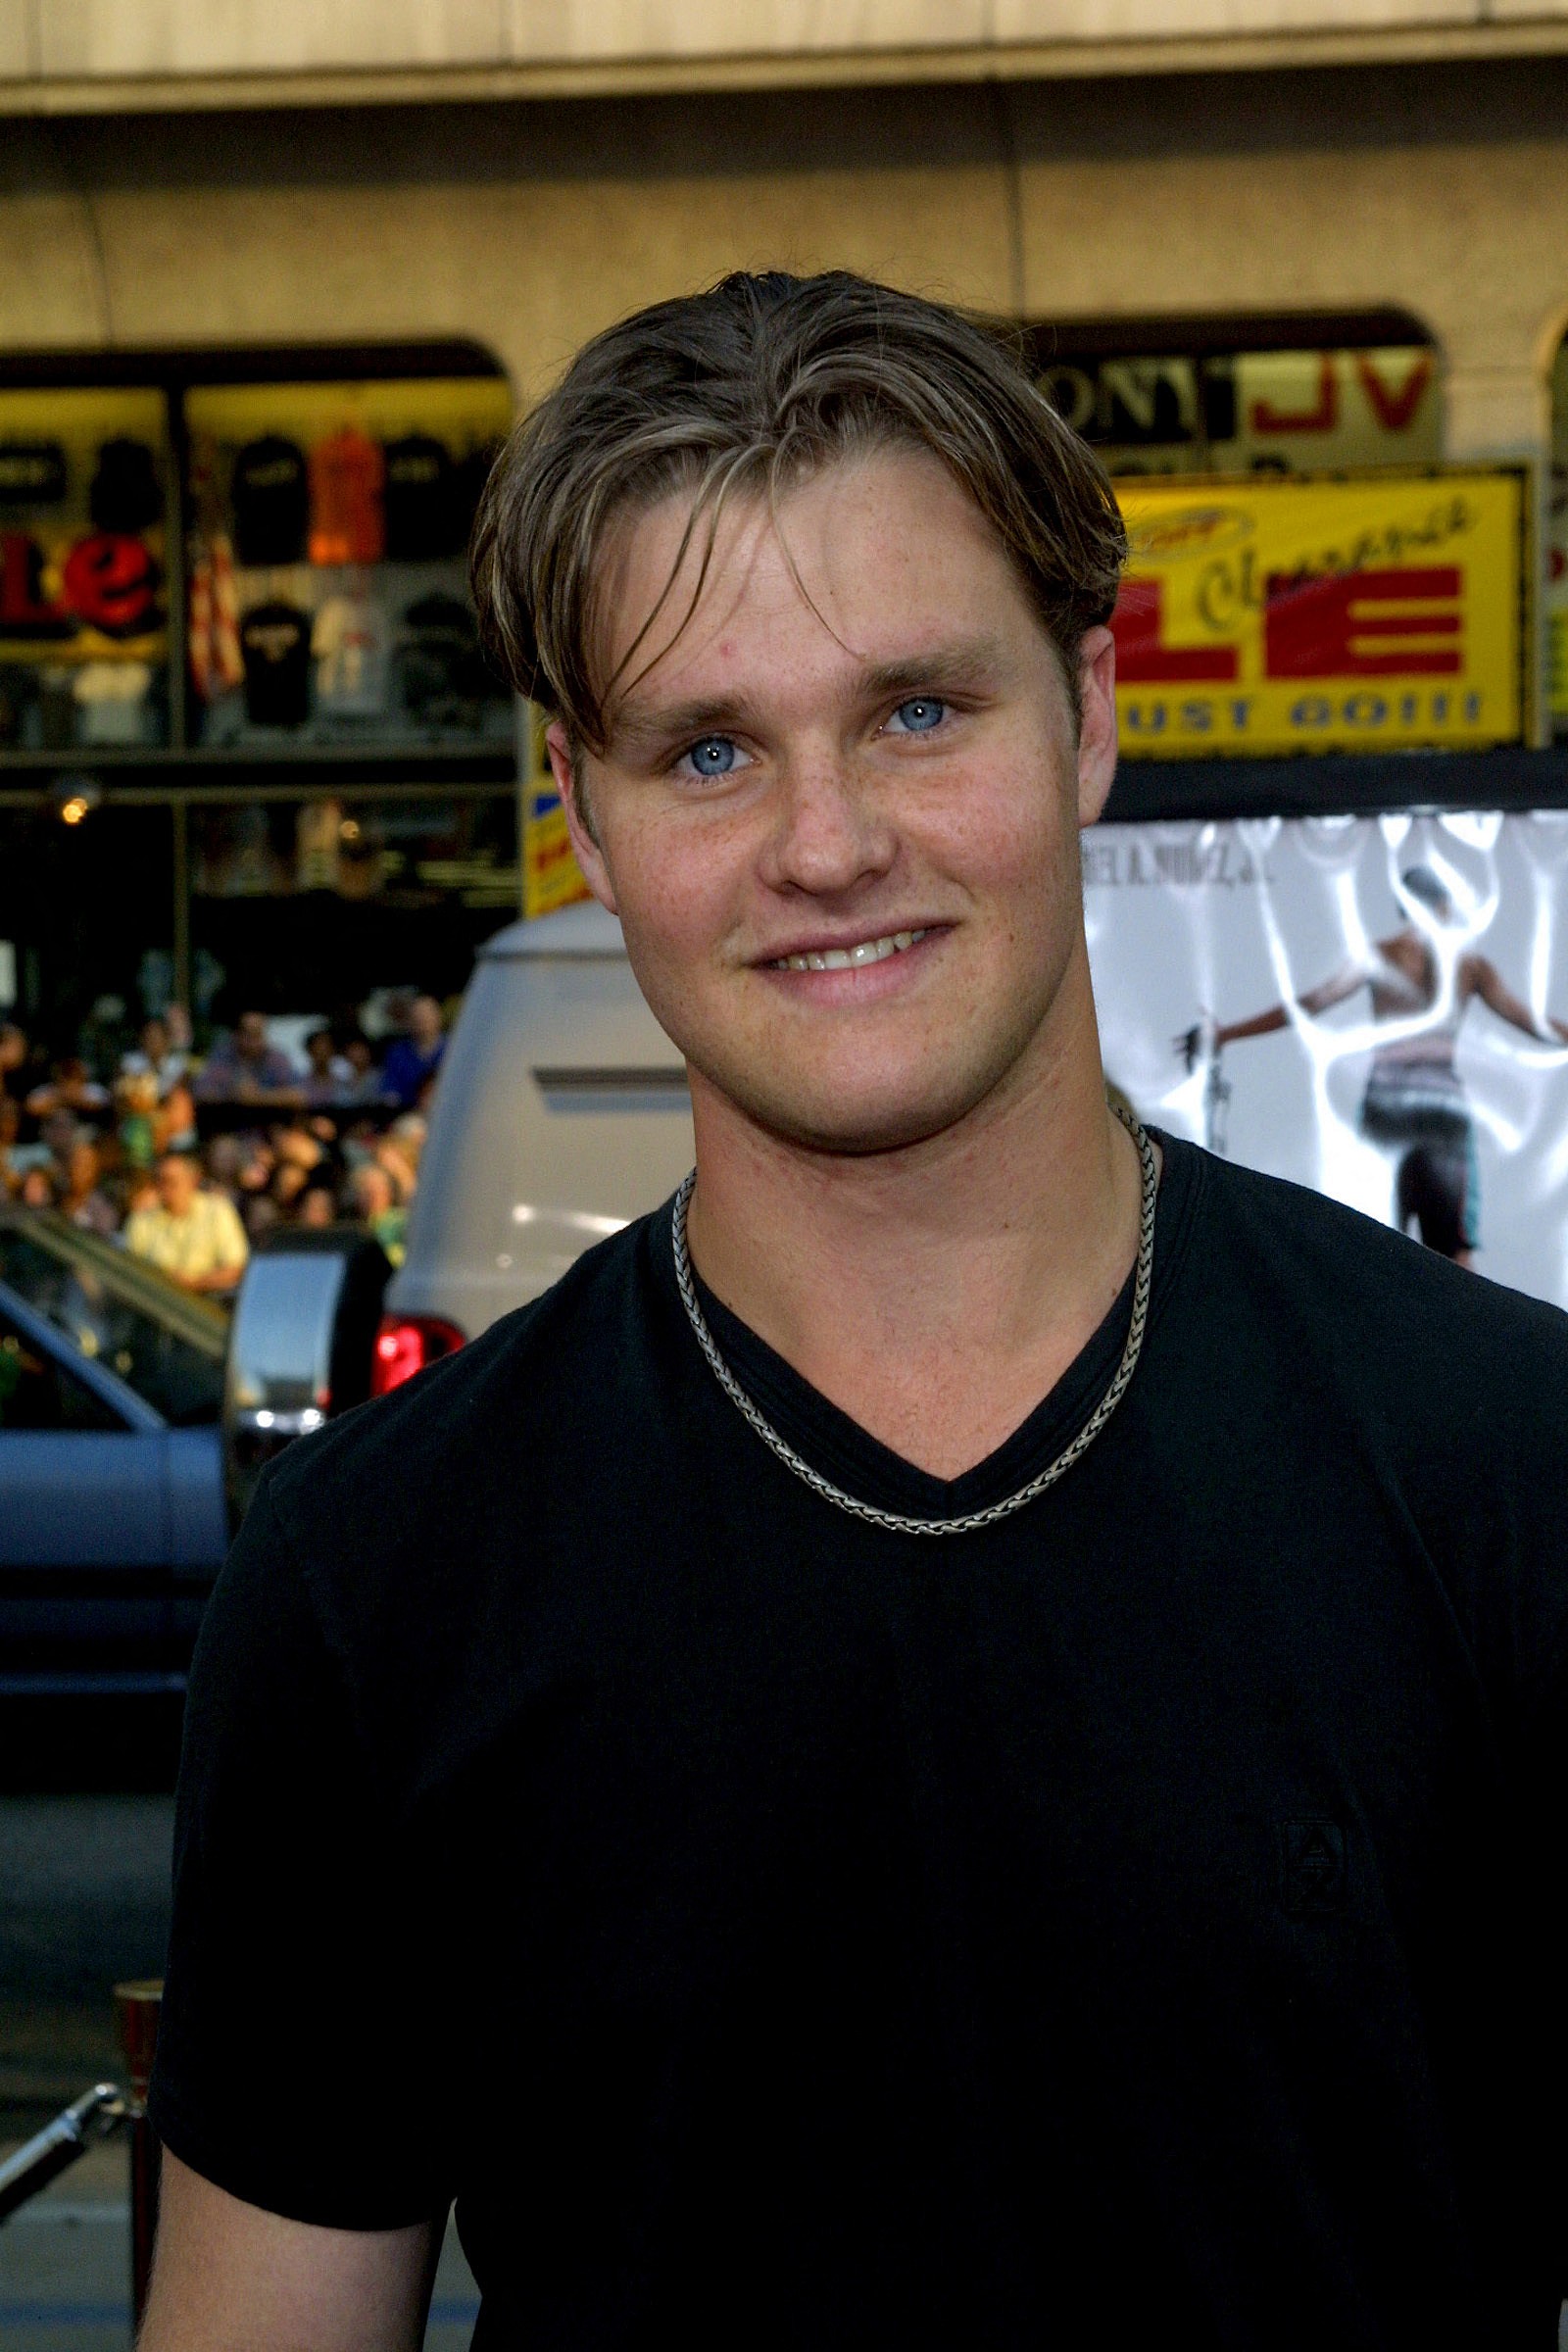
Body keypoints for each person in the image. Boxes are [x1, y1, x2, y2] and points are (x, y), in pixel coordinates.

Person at [142, 273, 1568, 2351]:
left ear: (1087, 711)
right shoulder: (375, 1582)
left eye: (916, 709)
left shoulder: (1500, 1473)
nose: (826, 845)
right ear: (581, 810)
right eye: (706, 746)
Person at [1191, 862, 1568, 1265]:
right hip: (1442, 1109)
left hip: (1386, 1105)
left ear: (1404, 907)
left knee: (1376, 1249)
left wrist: (1227, 1033)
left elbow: (1308, 1005)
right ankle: (1456, 1329)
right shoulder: (1469, 966)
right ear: (1443, 906)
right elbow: (1530, 1022)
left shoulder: (1381, 956)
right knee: (1454, 1252)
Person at [122, 1149, 249, 1294]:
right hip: (152, 1301)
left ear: (193, 1180)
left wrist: (195, 1284)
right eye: (159, 1181)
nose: (165, 1188)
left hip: (204, 1304)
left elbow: (236, 1268)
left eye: (172, 1181)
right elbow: (129, 1270)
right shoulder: (141, 1220)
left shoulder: (217, 1211)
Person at [191, 1010, 305, 1107]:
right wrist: (232, 1094)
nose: (256, 1042)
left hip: (268, 1126)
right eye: (250, 1035)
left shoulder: (275, 1058)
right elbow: (200, 1092)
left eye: (259, 1034)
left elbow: (298, 1096)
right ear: (237, 1035)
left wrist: (258, 1096)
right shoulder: (222, 1057)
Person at [376, 992, 445, 1109]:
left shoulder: (454, 1048)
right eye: (417, 1016)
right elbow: (390, 1092)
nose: (422, 1021)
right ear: (409, 1020)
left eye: (426, 1015)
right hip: (408, 1115)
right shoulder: (397, 1053)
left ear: (438, 1016)